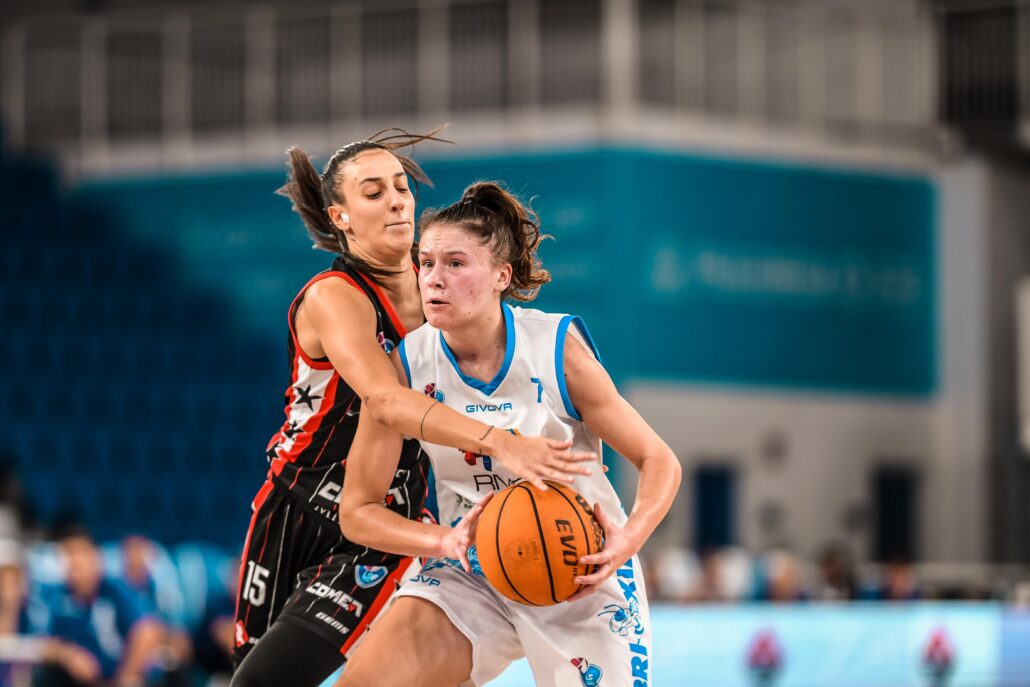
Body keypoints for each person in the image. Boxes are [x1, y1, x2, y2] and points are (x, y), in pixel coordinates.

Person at [230, 132, 595, 687]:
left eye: (401, 187)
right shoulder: (334, 295)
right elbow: (385, 401)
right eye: (373, 192)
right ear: (341, 216)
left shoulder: (440, 293)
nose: (398, 200)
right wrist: (498, 441)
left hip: (383, 517)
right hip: (295, 504)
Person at [336, 182, 682, 687]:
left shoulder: (555, 351)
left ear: (502, 275)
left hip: (577, 570)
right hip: (475, 569)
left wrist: (626, 542)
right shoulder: (407, 364)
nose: (434, 278)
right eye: (426, 262)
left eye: (455, 263)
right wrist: (446, 540)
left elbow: (659, 461)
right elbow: (357, 511)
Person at [32, 524, 164, 687]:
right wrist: (68, 655)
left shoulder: (115, 590)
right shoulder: (57, 597)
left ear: (95, 557)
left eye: (80, 553)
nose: (74, 561)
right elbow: (42, 643)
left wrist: (123, 678)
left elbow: (147, 631)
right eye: (68, 554)